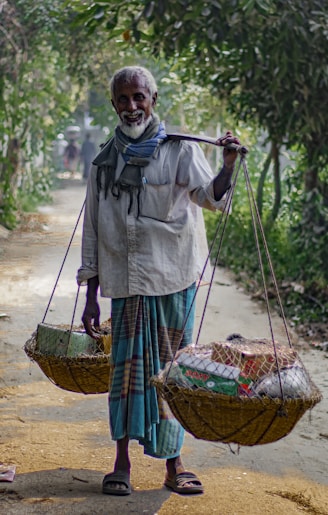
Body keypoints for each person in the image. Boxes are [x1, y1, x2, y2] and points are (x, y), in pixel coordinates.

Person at [77, 65, 240, 496]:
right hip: (126, 281)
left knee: (173, 375)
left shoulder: (180, 150)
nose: (132, 106)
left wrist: (226, 167)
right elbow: (92, 228)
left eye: (139, 98)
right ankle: (121, 463)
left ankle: (175, 463)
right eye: (123, 99)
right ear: (114, 105)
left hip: (174, 277)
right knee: (125, 375)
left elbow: (211, 198)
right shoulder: (104, 160)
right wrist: (90, 296)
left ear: (153, 100)